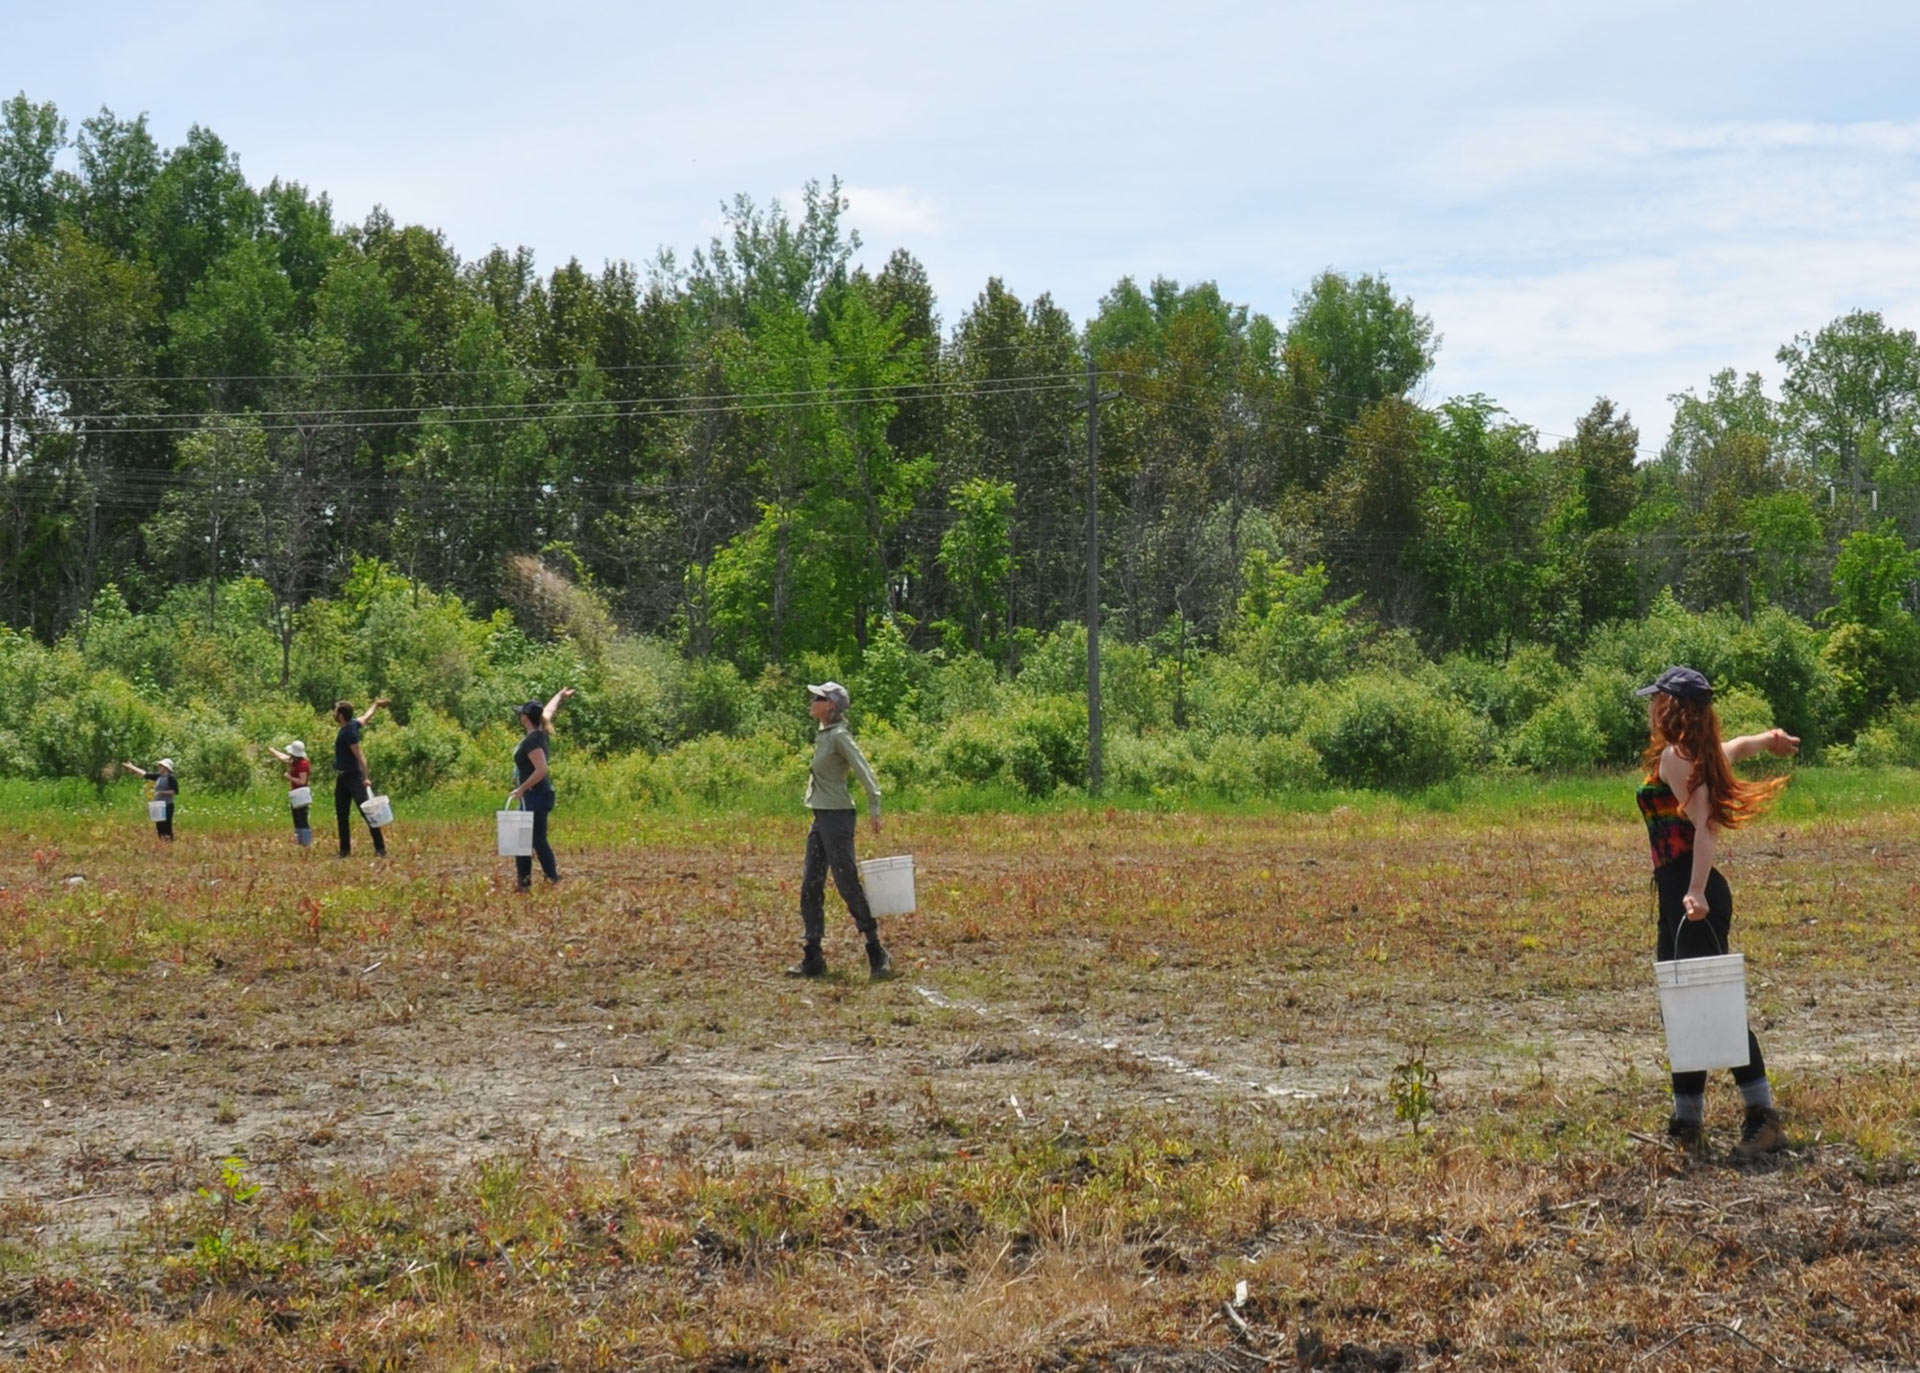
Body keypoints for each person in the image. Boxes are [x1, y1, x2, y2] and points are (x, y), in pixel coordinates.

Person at [1635, 666, 1799, 1160]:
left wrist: (1697, 891)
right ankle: (1687, 1123)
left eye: (1655, 700)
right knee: (1684, 1008)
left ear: (1670, 707)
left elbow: (1705, 824)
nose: (1650, 708)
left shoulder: (1675, 758)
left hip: (1690, 892)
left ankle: (1763, 1117)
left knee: (1712, 1009)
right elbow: (1737, 749)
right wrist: (1767, 740)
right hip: (1678, 891)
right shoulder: (1696, 755)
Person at [787, 681, 892, 981]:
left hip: (838, 819)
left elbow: (864, 771)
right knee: (811, 885)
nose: (811, 700)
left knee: (847, 884)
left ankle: (876, 950)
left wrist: (875, 808)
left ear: (830, 705)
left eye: (817, 697)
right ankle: (813, 956)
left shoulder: (840, 737)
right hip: (821, 817)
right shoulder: (824, 735)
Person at [507, 687, 575, 891]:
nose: (519, 716)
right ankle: (527, 882)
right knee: (526, 839)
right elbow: (550, 710)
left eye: (521, 714)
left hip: (536, 795)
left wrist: (522, 789)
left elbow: (541, 769)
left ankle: (548, 880)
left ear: (526, 718)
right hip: (536, 796)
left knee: (534, 840)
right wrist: (560, 696)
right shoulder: (541, 729)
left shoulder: (532, 741)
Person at [331, 698, 389, 858]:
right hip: (342, 778)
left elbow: (360, 755)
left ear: (341, 715)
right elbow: (366, 716)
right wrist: (376, 704)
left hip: (354, 778)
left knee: (368, 813)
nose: (334, 714)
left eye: (336, 711)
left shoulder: (348, 732)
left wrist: (366, 777)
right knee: (342, 815)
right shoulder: (354, 724)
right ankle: (344, 851)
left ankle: (380, 848)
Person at [266, 740, 314, 847]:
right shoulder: (295, 761)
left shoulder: (303, 764)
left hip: (301, 794)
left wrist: (289, 777)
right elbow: (283, 758)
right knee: (296, 817)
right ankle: (300, 841)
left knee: (302, 818)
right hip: (296, 794)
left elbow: (302, 781)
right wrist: (273, 751)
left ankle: (306, 842)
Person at [121, 757, 179, 840]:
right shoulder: (159, 776)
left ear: (166, 768)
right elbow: (145, 774)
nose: (159, 767)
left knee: (166, 827)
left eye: (161, 766)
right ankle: (162, 845)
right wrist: (132, 767)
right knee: (159, 827)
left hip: (167, 806)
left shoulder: (171, 778)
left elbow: (175, 791)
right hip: (158, 805)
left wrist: (162, 792)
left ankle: (169, 844)